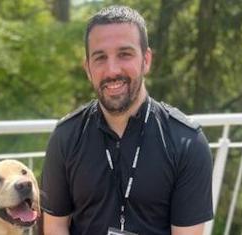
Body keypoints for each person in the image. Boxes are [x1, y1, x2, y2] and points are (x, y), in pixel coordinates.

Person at [40, 5, 213, 235]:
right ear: (88, 69)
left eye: (125, 54)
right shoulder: (65, 137)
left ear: (146, 60)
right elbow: (55, 228)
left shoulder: (187, 143)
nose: (112, 70)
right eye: (100, 57)